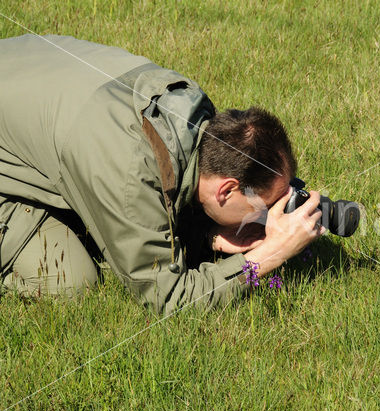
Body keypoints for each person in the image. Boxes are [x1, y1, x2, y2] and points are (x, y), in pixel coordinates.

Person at [0, 34, 325, 315]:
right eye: (265, 205)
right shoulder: (129, 175)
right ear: (226, 190)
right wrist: (272, 253)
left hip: (22, 65)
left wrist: (207, 235)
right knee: (70, 282)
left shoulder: (190, 110)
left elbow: (174, 189)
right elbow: (168, 298)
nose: (267, 214)